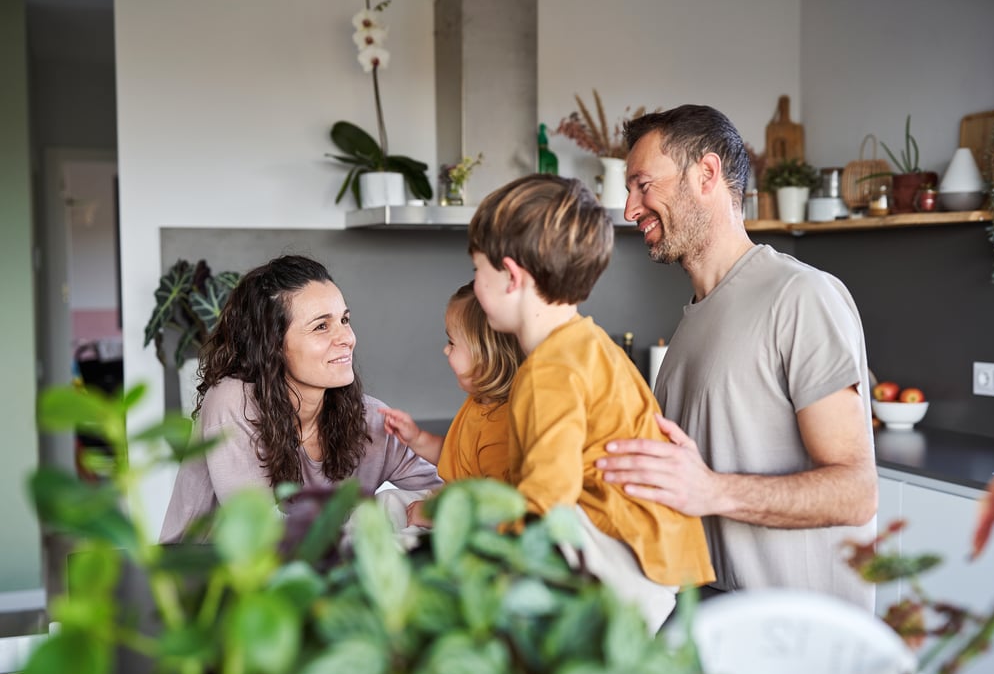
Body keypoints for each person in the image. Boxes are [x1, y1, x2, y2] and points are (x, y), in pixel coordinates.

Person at [595, 104, 878, 609]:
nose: (629, 209)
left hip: (797, 643)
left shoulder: (800, 296)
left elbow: (855, 493)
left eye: (642, 185)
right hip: (716, 625)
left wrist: (712, 491)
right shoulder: (689, 326)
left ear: (706, 173)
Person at [467, 174, 715, 632]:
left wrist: (476, 552)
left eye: (477, 270)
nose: (474, 287)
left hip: (621, 559)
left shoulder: (550, 370)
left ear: (511, 277)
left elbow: (546, 501)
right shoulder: (588, 343)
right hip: (654, 554)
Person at [159, 255, 442, 543]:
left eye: (344, 319)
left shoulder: (371, 419)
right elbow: (262, 538)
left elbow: (452, 499)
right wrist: (381, 523)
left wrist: (410, 509)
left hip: (322, 580)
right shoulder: (233, 402)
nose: (347, 337)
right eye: (322, 326)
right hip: (200, 580)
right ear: (272, 345)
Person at [378, 282, 524, 526]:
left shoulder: (501, 429)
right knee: (386, 500)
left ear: (484, 358)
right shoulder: (477, 405)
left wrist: (436, 515)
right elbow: (456, 457)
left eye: (452, 343)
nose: (446, 350)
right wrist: (416, 438)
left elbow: (496, 510)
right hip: (451, 500)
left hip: (464, 523)